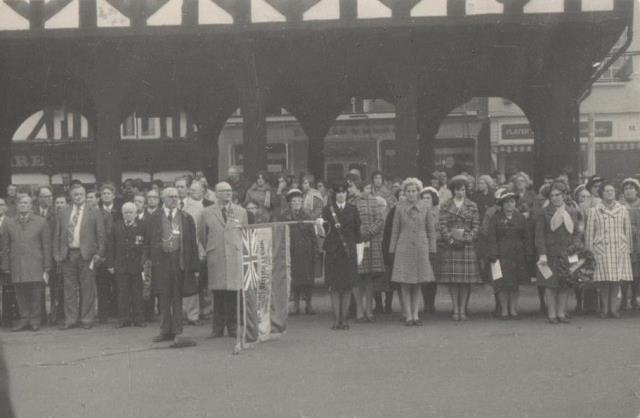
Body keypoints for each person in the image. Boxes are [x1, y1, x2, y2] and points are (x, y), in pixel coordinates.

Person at [146, 188, 200, 343]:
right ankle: (164, 331)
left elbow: (193, 244)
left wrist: (194, 268)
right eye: (170, 196)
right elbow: (147, 241)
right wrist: (147, 262)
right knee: (163, 297)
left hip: (179, 262)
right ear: (163, 198)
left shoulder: (186, 217)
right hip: (160, 262)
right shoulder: (153, 217)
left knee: (177, 297)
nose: (174, 199)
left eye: (176, 196)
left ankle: (177, 330)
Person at [197, 182, 248, 338]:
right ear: (216, 193)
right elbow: (202, 234)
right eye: (224, 191)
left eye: (230, 191)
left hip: (234, 255)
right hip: (216, 255)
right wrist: (212, 248)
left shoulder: (241, 212)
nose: (228, 193)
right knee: (218, 293)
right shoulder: (206, 212)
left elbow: (244, 233)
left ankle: (232, 327)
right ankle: (217, 328)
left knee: (233, 293)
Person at [53, 184, 105, 330]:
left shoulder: (94, 211)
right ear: (70, 196)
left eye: (81, 194)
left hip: (87, 255)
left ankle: (87, 319)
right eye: (75, 194)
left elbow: (101, 235)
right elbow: (57, 234)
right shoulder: (64, 212)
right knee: (69, 289)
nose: (78, 197)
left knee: (87, 288)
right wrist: (57, 254)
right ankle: (71, 319)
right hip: (68, 254)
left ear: (84, 195)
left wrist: (99, 253)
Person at [389, 178, 437, 326]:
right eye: (408, 191)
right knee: (405, 282)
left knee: (418, 282)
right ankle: (408, 315)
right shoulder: (399, 207)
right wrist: (392, 249)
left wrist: (432, 248)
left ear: (418, 192)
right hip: (404, 247)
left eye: (414, 191)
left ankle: (416, 314)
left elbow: (431, 229)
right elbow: (395, 230)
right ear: (405, 192)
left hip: (421, 247)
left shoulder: (425, 207)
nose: (411, 194)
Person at [1, 196, 51, 331]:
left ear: (31, 206)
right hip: (17, 263)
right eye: (20, 203)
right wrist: (5, 265)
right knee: (20, 292)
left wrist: (47, 265)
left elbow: (46, 245)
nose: (22, 205)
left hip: (35, 263)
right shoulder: (8, 223)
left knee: (35, 292)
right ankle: (24, 319)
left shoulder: (41, 222)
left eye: (25, 203)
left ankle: (35, 320)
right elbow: (5, 246)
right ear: (16, 206)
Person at [585, 181, 634, 318]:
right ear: (601, 193)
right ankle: (605, 309)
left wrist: (628, 248)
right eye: (606, 191)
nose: (609, 193)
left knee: (616, 280)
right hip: (601, 249)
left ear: (616, 193)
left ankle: (613, 309)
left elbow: (627, 230)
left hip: (619, 248)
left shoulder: (623, 209)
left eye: (612, 190)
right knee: (604, 280)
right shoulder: (594, 210)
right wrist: (589, 251)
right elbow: (589, 232)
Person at [534, 181, 580, 324]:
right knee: (551, 285)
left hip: (567, 252)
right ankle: (552, 314)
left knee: (564, 284)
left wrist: (575, 249)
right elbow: (539, 235)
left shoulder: (571, 211)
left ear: (564, 195)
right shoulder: (544, 213)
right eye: (552, 195)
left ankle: (561, 313)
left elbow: (577, 232)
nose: (555, 198)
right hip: (550, 254)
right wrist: (542, 254)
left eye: (558, 194)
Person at [437, 176, 481, 321]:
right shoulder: (445, 206)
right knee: (454, 281)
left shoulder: (472, 206)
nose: (460, 192)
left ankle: (463, 309)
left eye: (463, 189)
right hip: (452, 246)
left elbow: (476, 226)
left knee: (465, 281)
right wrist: (450, 240)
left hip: (466, 245)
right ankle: (455, 308)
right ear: (453, 190)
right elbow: (442, 225)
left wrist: (466, 239)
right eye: (457, 189)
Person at [486, 189, 533, 319]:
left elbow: (526, 237)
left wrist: (528, 253)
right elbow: (492, 238)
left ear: (515, 204)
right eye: (506, 203)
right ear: (502, 204)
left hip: (517, 254)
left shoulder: (521, 218)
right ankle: (504, 310)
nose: (509, 205)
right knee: (502, 284)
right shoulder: (496, 218)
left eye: (512, 202)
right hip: (501, 254)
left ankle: (513, 310)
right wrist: (493, 254)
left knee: (515, 284)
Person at [323, 182, 360, 330]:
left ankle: (344, 320)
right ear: (334, 195)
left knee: (347, 286)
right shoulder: (327, 210)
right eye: (338, 193)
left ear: (347, 194)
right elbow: (324, 230)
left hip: (348, 251)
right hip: (333, 251)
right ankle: (336, 320)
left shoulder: (353, 209)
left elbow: (357, 230)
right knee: (334, 286)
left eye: (343, 192)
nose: (340, 195)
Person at [107, 202, 147, 328]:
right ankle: (123, 319)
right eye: (125, 212)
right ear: (122, 214)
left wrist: (144, 263)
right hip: (121, 266)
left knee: (137, 293)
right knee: (122, 294)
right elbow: (111, 246)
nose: (128, 215)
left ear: (135, 213)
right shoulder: (116, 226)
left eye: (131, 212)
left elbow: (145, 247)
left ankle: (138, 318)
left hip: (137, 266)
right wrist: (110, 264)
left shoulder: (142, 226)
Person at [278, 189, 318, 315]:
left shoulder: (307, 215)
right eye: (293, 201)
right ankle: (295, 305)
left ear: (302, 201)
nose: (296, 203)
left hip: (306, 251)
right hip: (292, 250)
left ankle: (308, 304)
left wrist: (315, 250)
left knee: (308, 279)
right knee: (294, 279)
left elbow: (313, 235)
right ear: (290, 203)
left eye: (298, 200)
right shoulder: (285, 216)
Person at [349, 181, 386, 322]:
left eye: (370, 188)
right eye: (366, 187)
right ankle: (359, 309)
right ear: (359, 189)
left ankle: (369, 310)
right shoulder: (353, 202)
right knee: (358, 277)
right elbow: (349, 220)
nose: (369, 190)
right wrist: (359, 234)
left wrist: (369, 232)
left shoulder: (375, 202)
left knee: (369, 277)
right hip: (357, 242)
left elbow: (380, 220)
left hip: (372, 241)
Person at [619, 177, 640, 310]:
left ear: (637, 191)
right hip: (624, 242)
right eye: (626, 189)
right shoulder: (619, 206)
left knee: (637, 272)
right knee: (625, 271)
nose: (629, 191)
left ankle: (635, 298)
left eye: (631, 188)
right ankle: (624, 299)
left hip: (639, 243)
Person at [420, 186, 440, 314]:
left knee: (433, 277)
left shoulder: (438, 212)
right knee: (423, 276)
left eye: (428, 198)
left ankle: (431, 303)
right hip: (422, 245)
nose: (426, 200)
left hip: (435, 246)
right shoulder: (419, 211)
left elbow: (441, 228)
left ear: (433, 199)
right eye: (423, 198)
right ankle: (426, 303)